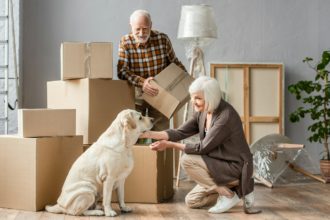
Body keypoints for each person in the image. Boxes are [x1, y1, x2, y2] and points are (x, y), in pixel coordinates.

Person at [139, 76, 261, 214]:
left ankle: (228, 193)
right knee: (192, 201)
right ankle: (235, 191)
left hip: (235, 166)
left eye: (198, 98)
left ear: (211, 98)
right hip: (218, 164)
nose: (193, 102)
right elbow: (180, 132)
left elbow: (203, 148)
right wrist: (149, 134)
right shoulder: (202, 112)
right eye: (192, 97)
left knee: (187, 160)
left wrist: (170, 145)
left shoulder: (225, 117)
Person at [117, 9, 187, 131]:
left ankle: (160, 150)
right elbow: (121, 71)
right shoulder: (125, 42)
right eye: (137, 29)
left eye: (145, 28)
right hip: (137, 93)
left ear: (151, 25)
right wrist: (142, 82)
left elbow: (174, 63)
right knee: (135, 132)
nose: (141, 33)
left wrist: (188, 80)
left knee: (161, 132)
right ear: (131, 26)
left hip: (160, 92)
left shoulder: (162, 39)